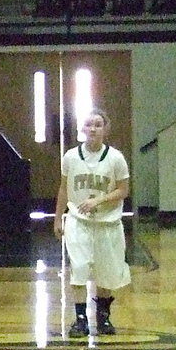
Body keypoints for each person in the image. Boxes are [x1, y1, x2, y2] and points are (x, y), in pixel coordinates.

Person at [53, 109, 131, 337]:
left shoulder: (116, 158)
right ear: (82, 129)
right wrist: (58, 217)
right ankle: (80, 319)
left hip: (108, 222)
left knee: (106, 272)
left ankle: (103, 317)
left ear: (105, 129)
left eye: (98, 124)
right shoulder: (70, 157)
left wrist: (100, 199)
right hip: (79, 221)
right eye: (89, 124)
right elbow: (63, 188)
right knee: (78, 267)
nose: (93, 128)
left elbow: (124, 190)